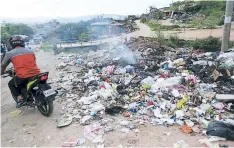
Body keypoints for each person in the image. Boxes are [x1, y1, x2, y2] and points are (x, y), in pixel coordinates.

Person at [1, 36, 41, 108]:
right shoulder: (30, 51)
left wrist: (1, 72)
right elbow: (33, 61)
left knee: (11, 84)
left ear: (12, 44)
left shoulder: (10, 53)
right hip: (36, 73)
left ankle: (20, 99)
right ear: (23, 43)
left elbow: (3, 65)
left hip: (23, 75)